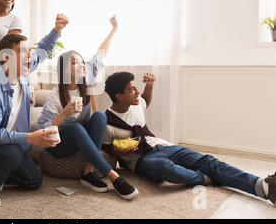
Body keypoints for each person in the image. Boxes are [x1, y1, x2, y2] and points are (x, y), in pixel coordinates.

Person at [102, 71, 276, 205]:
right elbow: (109, 152)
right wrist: (123, 150)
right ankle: (206, 178)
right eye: (132, 89)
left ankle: (263, 186)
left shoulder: (136, 102)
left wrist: (150, 85)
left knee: (208, 160)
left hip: (161, 145)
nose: (137, 91)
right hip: (140, 159)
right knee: (166, 167)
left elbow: (145, 101)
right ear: (119, 96)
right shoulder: (106, 122)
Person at [0, 14, 70, 208]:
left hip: (7, 144)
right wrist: (29, 137)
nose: (30, 56)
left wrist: (57, 30)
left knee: (34, 181)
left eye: (29, 51)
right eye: (24, 52)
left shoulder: (21, 72)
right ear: (7, 57)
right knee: (13, 154)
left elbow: (42, 51)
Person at [37, 16, 138, 200]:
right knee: (75, 128)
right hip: (58, 146)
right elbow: (44, 130)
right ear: (64, 70)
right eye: (75, 62)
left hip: (80, 137)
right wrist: (64, 113)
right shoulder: (55, 97)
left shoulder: (85, 80)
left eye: (82, 61)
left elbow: (102, 52)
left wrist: (114, 28)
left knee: (100, 116)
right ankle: (114, 177)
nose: (82, 65)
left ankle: (88, 170)